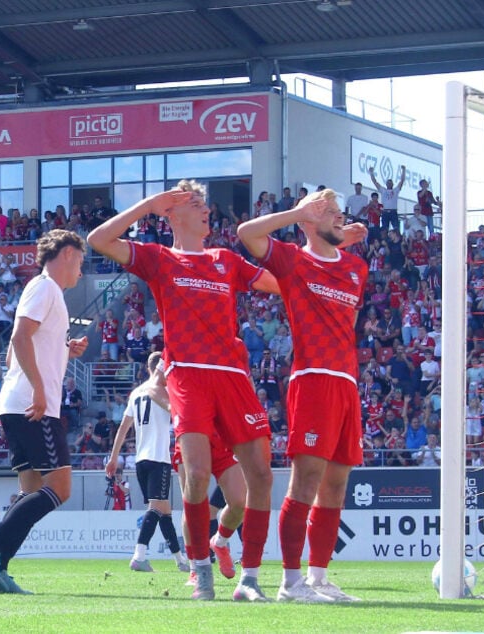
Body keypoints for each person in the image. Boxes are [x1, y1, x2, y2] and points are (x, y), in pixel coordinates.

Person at [87, 181, 281, 602]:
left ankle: (248, 579)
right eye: (194, 204)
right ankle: (201, 572)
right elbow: (98, 240)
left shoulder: (225, 260)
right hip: (189, 375)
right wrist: (147, 205)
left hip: (232, 376)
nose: (206, 210)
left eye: (204, 204)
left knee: (261, 476)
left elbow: (280, 284)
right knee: (195, 474)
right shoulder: (160, 258)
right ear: (172, 214)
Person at [238, 189, 367, 603]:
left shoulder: (356, 267)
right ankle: (290, 582)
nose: (339, 217)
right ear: (308, 220)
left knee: (336, 484)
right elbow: (247, 233)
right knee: (306, 480)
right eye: (329, 212)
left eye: (340, 212)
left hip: (347, 382)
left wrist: (338, 236)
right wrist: (297, 212)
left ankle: (318, 578)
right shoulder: (293, 261)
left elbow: (345, 318)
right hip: (312, 379)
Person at [0, 229, 88, 595]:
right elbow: (18, 339)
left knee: (31, 490)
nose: (81, 270)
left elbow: (14, 352)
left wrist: (64, 349)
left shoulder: (45, 291)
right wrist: (38, 386)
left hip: (18, 403)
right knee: (60, 488)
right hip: (33, 404)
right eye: (80, 261)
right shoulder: (46, 287)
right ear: (67, 254)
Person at [105, 352, 189, 573]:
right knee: (156, 508)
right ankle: (139, 555)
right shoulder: (163, 392)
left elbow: (123, 428)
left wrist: (113, 458)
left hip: (141, 460)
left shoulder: (136, 393)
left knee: (164, 511)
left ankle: (180, 560)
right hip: (158, 458)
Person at [369, 164, 406, 233]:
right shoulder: (383, 190)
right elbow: (375, 182)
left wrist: (403, 170)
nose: (389, 184)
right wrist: (371, 173)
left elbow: (402, 181)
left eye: (390, 183)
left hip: (393, 212)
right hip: (385, 212)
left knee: (396, 229)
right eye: (388, 183)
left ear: (393, 184)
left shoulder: (395, 191)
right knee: (384, 230)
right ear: (386, 184)